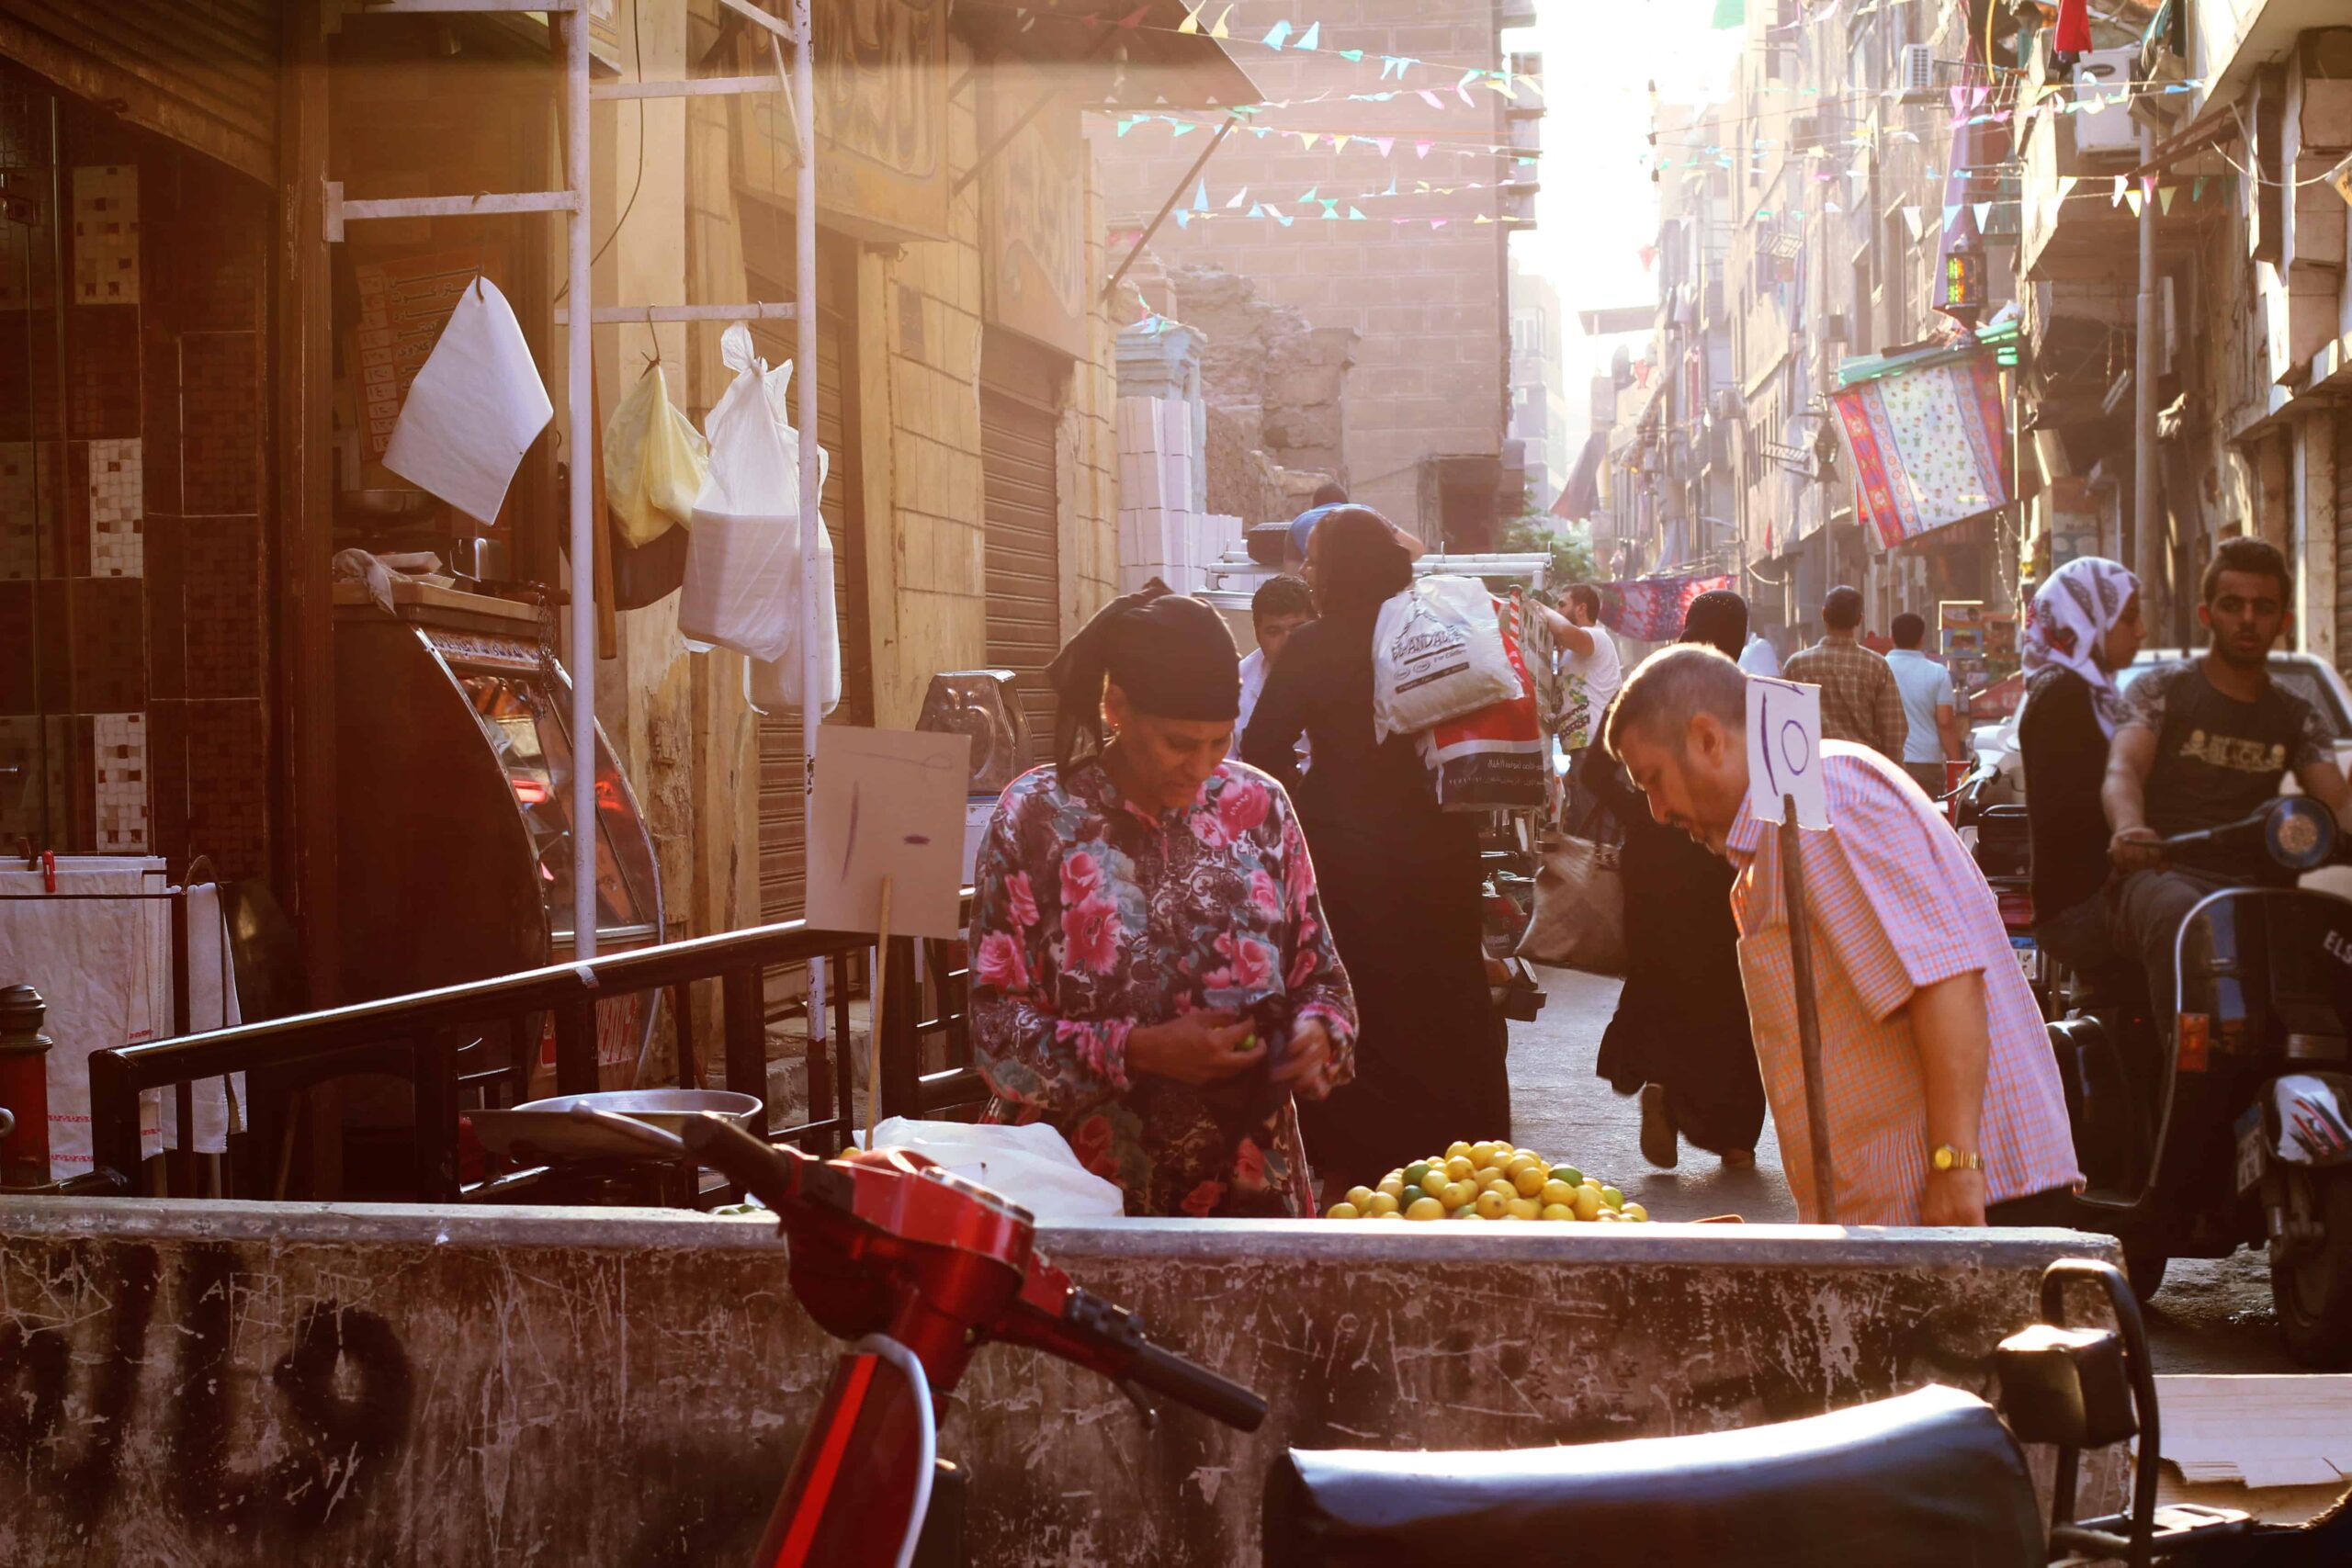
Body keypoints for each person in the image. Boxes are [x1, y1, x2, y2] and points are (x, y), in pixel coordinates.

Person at [1603, 645, 2081, 1224]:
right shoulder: (1786, 825)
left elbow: (1947, 982)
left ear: (1707, 738)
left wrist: (1956, 1169)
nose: (1656, 812)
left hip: (1973, 1204)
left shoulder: (1825, 803)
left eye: (1653, 781)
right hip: (1911, 1211)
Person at [967, 585, 1358, 1217]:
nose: (1202, 766)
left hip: (1249, 1198)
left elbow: (1325, 982)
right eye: (1180, 743)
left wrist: (1320, 1033)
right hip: (1078, 1198)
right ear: (1116, 707)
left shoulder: (1260, 808)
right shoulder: (1036, 818)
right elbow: (995, 1036)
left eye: (1219, 742)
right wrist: (1140, 1049)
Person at [1243, 507, 1509, 1189]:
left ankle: (1366, 1161)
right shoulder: (1431, 629)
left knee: (1363, 994)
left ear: (1337, 568)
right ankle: (1462, 1149)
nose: (1305, 572)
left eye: (1313, 560)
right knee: (1445, 987)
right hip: (1441, 841)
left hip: (1348, 852)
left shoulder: (1314, 646)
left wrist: (1315, 796)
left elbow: (1263, 746)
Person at [2104, 536, 2352, 1034]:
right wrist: (2131, 828)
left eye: (2263, 608)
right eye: (2232, 605)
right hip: (2166, 872)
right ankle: (2182, 1081)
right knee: (2179, 917)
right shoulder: (2162, 690)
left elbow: (2338, 808)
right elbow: (2123, 769)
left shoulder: (2296, 715)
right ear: (2206, 614)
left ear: (2283, 621)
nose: (2246, 619)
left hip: (2259, 886)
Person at [1589, 589, 1765, 1169]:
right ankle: (1735, 1136)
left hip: (1653, 866)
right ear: (1739, 636)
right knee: (1729, 988)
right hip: (1721, 862)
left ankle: (1660, 1077)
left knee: (1658, 973)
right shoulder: (1743, 696)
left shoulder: (1646, 685)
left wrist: (1644, 809)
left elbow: (1592, 769)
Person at [2017, 558, 2143, 976]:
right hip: (2082, 904)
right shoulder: (2064, 696)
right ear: (2087, 618)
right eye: (2128, 618)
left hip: (2093, 895)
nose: (2140, 631)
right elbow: (2071, 811)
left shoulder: (2090, 690)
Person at [1781, 585, 1907, 763]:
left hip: (1811, 770)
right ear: (1859, 619)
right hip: (1864, 771)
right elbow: (1894, 731)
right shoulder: (1876, 666)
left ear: (1823, 615)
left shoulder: (1797, 665)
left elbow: (1783, 725)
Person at [1555, 582, 1623, 832]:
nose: (1557, 610)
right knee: (1581, 829)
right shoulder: (1573, 651)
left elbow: (1562, 632)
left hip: (1593, 747)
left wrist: (1536, 609)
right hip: (1582, 750)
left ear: (1581, 608)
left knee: (1595, 832)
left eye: (1562, 604)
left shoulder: (1597, 636)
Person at [1885, 612, 1965, 799]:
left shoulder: (1879, 667)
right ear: (1921, 640)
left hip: (1888, 762)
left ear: (1892, 638)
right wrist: (1956, 765)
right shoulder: (1937, 673)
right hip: (1927, 764)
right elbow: (1945, 723)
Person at [1234, 574, 1315, 754]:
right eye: (1274, 631)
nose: (1288, 642)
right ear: (1257, 635)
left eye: (1298, 628)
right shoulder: (1234, 683)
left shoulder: (1347, 677)